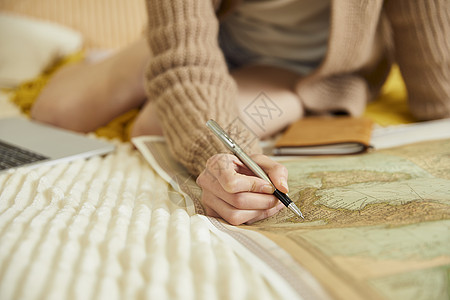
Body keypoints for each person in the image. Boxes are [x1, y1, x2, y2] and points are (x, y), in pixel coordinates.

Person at [31, 0, 450, 225]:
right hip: (207, 38)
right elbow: (184, 62)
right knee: (55, 112)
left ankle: (306, 98)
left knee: (155, 122)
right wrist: (179, 64)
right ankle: (145, 62)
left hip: (299, 71)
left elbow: (439, 80)